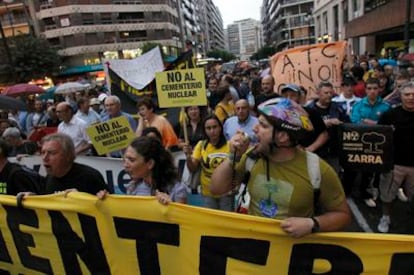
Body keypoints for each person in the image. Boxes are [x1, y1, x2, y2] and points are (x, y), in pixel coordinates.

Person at [210, 98, 351, 238]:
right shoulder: (252, 157)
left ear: (283, 137)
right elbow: (216, 188)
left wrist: (311, 224)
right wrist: (232, 157)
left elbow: (343, 215)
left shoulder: (316, 169)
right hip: (254, 248)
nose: (254, 128)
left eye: (263, 125)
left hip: (292, 255)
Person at [97, 136, 187, 204]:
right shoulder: (132, 188)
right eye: (125, 159)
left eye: (131, 160)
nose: (125, 165)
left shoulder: (177, 189)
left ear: (150, 164)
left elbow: (183, 222)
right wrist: (107, 201)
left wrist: (171, 207)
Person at [18, 133, 109, 197]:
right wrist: (32, 199)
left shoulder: (90, 177)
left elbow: (108, 205)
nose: (45, 158)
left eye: (52, 153)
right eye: (43, 152)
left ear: (68, 155)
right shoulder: (49, 178)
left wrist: (84, 198)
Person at [377, 82, 414, 233]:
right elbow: (379, 137)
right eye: (407, 94)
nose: (411, 97)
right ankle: (385, 217)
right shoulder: (389, 115)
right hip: (394, 164)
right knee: (387, 195)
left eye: (413, 95)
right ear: (401, 96)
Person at [350, 78, 391, 207]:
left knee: (380, 170)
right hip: (363, 144)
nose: (372, 91)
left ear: (379, 89)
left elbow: (389, 125)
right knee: (365, 170)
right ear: (365, 90)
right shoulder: (358, 105)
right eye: (369, 88)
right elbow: (355, 122)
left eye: (375, 88)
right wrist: (378, 124)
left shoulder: (386, 106)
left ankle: (376, 188)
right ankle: (364, 193)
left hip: (382, 145)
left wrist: (369, 122)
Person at [183, 114, 233, 211]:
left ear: (220, 128)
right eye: (208, 128)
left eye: (215, 127)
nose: (212, 131)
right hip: (207, 192)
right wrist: (188, 156)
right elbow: (193, 167)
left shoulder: (230, 145)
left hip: (226, 192)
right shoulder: (201, 145)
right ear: (204, 130)